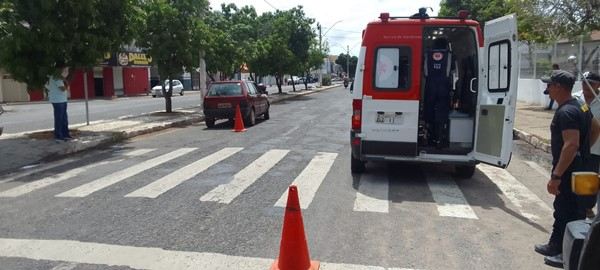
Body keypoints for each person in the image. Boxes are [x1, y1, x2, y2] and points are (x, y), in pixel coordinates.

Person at [534, 70, 600, 267]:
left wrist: (556, 175)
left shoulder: (567, 112)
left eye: (550, 85)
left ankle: (566, 254)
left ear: (558, 87)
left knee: (569, 210)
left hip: (570, 170)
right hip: (582, 167)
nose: (547, 89)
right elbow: (596, 128)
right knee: (568, 208)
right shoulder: (581, 106)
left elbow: (570, 144)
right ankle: (555, 245)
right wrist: (584, 151)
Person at [573, 71, 600, 220]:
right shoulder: (576, 98)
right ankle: (579, 207)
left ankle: (588, 207)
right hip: (579, 148)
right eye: (584, 83)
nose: (586, 87)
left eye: (591, 84)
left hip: (595, 149)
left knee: (591, 180)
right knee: (577, 178)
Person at [45, 69, 71, 142]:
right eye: (64, 70)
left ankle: (65, 134)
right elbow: (62, 89)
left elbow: (47, 86)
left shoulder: (56, 77)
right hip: (58, 100)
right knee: (59, 118)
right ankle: (58, 136)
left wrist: (65, 80)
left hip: (62, 99)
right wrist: (66, 84)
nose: (65, 72)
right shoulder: (56, 78)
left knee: (64, 118)